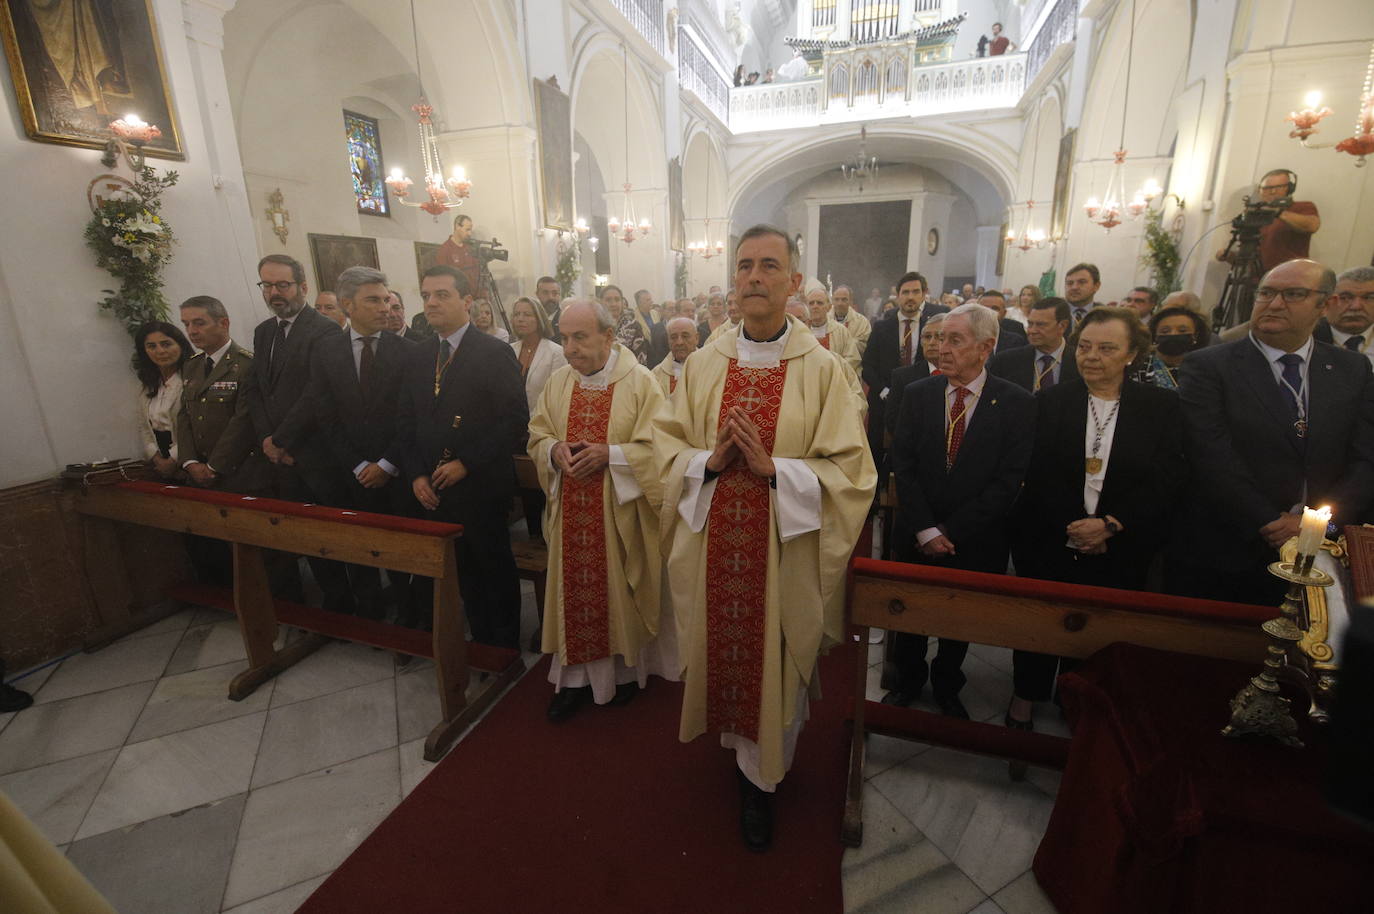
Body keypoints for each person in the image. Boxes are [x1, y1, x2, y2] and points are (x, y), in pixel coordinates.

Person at [653, 225, 875, 851]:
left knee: (773, 663)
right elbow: (666, 450)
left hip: (785, 552)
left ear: (793, 282)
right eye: (744, 265)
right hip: (715, 543)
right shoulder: (703, 364)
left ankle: (762, 781)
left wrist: (779, 470)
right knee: (723, 649)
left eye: (768, 266)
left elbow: (854, 473)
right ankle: (738, 752)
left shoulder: (824, 369)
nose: (753, 276)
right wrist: (710, 464)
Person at [1009, 307, 1184, 738]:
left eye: (1107, 349)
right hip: (1050, 535)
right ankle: (1025, 696)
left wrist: (1111, 524)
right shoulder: (1051, 400)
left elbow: (1169, 477)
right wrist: (1074, 526)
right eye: (1085, 347)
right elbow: (1037, 473)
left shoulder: (1161, 407)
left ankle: (1077, 697)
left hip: (1121, 541)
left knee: (1096, 629)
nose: (1092, 357)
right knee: (1040, 621)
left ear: (1131, 354)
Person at [1168, 259, 1374, 606]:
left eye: (1293, 294)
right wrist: (1268, 521)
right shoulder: (1210, 365)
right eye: (1266, 293)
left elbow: (1366, 455)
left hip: (1325, 550)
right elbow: (1211, 454)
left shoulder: (1351, 368)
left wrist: (1321, 525)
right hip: (1233, 545)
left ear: (1325, 305)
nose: (1275, 304)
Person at [886, 304, 1035, 719]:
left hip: (976, 537)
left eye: (954, 340)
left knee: (959, 619)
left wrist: (951, 530)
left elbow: (1008, 481)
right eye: (936, 338)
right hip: (917, 529)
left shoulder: (1016, 403)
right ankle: (907, 681)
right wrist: (925, 529)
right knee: (910, 612)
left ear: (985, 347)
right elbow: (905, 464)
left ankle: (948, 685)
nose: (940, 348)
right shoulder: (919, 394)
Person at [528, 300, 668, 721]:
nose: (569, 348)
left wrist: (614, 455)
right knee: (574, 595)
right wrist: (553, 452)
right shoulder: (558, 383)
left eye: (580, 337)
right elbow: (537, 434)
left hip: (618, 517)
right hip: (569, 513)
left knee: (617, 594)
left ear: (608, 337)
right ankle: (573, 682)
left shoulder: (641, 383)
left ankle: (622, 677)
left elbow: (663, 448)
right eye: (564, 337)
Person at [398, 264, 528, 645]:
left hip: (480, 486)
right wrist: (417, 474)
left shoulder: (493, 352)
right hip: (433, 487)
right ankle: (479, 640)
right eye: (425, 296)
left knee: (492, 569)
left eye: (442, 295)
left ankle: (503, 647)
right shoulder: (419, 356)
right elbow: (406, 422)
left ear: (467, 301)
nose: (431, 303)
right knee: (463, 575)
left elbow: (515, 420)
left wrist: (466, 462)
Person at [282, 267, 417, 621]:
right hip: (350, 473)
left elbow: (412, 419)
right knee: (359, 547)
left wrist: (386, 465)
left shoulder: (408, 352)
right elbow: (326, 415)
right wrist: (358, 465)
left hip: (397, 471)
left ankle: (409, 618)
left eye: (386, 299)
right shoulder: (327, 350)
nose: (384, 307)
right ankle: (369, 615)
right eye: (373, 300)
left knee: (401, 552)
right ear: (347, 305)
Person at [243, 254, 353, 613]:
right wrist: (266, 439)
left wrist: (283, 438)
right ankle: (319, 604)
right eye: (267, 285)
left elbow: (316, 393)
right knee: (301, 535)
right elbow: (258, 389)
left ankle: (348, 607)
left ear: (302, 287)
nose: (275, 292)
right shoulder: (264, 332)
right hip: (279, 455)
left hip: (315, 454)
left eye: (282, 285)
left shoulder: (323, 330)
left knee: (331, 537)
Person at [177, 296, 266, 585]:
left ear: (223, 323)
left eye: (199, 323)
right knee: (223, 550)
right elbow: (184, 416)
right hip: (201, 473)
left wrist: (214, 467)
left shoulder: (246, 364)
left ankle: (282, 608)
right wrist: (190, 462)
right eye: (187, 324)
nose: (192, 331)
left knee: (261, 552)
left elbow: (243, 421)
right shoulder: (191, 366)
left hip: (241, 473)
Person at [863, 271, 950, 479]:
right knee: (877, 454)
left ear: (923, 294)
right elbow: (868, 365)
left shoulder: (935, 325)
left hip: (925, 397)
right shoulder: (882, 326)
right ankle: (877, 499)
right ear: (898, 295)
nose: (910, 297)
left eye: (915, 292)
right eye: (905, 292)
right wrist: (884, 391)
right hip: (884, 400)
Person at [510, 296, 566, 542]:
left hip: (542, 427)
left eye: (527, 314)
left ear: (539, 318)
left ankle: (549, 535)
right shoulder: (509, 349)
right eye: (517, 314)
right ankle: (533, 533)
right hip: (514, 428)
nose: (521, 319)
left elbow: (556, 393)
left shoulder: (554, 352)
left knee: (543, 483)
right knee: (523, 485)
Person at [1214, 169, 1320, 273]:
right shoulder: (1255, 214)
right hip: (1257, 282)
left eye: (1279, 187)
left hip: (1289, 278)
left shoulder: (1302, 207)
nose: (1273, 191)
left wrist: (1278, 212)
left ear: (1290, 188)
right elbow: (1250, 258)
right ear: (1260, 191)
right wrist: (1229, 256)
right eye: (1267, 188)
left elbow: (1312, 226)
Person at [134, 320, 192, 479]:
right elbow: (144, 426)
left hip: (191, 459)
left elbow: (199, 427)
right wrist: (156, 457)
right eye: (151, 346)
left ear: (180, 345)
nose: (160, 351)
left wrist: (173, 459)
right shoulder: (148, 384)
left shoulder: (193, 378)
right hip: (158, 462)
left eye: (166, 344)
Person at [988, 297, 1078, 393]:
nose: (1032, 331)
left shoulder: (1079, 362)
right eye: (1030, 324)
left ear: (1062, 326)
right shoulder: (1005, 362)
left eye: (1041, 325)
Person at [884, 312, 946, 441]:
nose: (932, 342)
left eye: (939, 337)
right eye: (927, 337)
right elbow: (894, 422)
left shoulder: (960, 376)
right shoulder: (903, 377)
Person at [1315, 266, 1374, 366]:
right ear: (1327, 302)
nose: (1356, 307)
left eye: (1369, 298)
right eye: (1345, 298)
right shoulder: (1306, 337)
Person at [1142, 306, 1211, 390]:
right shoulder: (1140, 365)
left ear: (1195, 335)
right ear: (1154, 335)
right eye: (1165, 331)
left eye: (1182, 331)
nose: (1173, 334)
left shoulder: (1206, 368)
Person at [804, 282, 861, 374]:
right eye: (811, 303)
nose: (815, 306)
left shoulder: (841, 331)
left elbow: (852, 359)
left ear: (829, 307)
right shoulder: (802, 331)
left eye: (819, 303)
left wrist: (832, 372)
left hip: (834, 380)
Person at [436, 213, 483, 297]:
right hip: (458, 299)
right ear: (457, 226)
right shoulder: (444, 250)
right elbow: (443, 280)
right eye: (467, 229)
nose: (470, 233)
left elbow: (478, 274)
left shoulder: (470, 248)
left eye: (470, 230)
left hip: (475, 298)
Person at [601, 285, 649, 365]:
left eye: (617, 300)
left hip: (628, 374)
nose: (613, 304)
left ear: (622, 302)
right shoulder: (595, 326)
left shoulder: (634, 326)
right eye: (608, 300)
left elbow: (641, 360)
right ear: (601, 302)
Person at [652, 316, 698, 396]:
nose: (679, 342)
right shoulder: (656, 375)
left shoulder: (711, 367)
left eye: (685, 336)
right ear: (668, 340)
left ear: (697, 338)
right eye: (673, 337)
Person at [831, 285, 872, 355]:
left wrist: (842, 342)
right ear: (832, 301)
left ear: (851, 301)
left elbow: (866, 346)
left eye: (844, 299)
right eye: (836, 299)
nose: (839, 303)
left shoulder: (862, 322)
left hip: (852, 363)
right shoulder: (825, 319)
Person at [535, 274, 564, 342]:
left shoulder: (566, 320)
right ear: (537, 294)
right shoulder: (532, 320)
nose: (550, 297)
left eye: (554, 293)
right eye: (545, 293)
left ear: (559, 295)